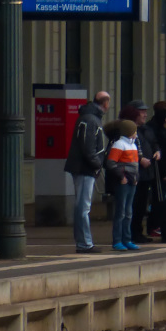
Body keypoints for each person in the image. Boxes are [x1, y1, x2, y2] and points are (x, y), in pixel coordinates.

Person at [64, 90, 110, 253]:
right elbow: (88, 148)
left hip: (83, 167)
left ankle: (83, 242)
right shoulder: (91, 120)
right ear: (105, 103)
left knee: (82, 207)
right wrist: (97, 164)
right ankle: (84, 243)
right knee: (83, 207)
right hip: (85, 168)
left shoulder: (88, 118)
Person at [128, 100, 162, 243]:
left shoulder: (147, 129)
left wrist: (157, 151)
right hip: (135, 174)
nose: (145, 114)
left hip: (148, 173)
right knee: (135, 205)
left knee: (142, 205)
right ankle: (132, 233)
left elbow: (154, 143)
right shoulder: (129, 129)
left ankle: (138, 232)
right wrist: (140, 159)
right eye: (142, 112)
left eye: (145, 111)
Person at [105, 119, 140, 251]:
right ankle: (118, 240)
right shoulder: (119, 144)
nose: (136, 133)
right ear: (129, 131)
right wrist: (121, 176)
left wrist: (136, 178)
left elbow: (135, 165)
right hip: (123, 181)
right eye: (134, 131)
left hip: (131, 181)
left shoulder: (133, 145)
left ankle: (127, 239)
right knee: (121, 211)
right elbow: (111, 163)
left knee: (128, 211)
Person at [145, 101, 166, 236]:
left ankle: (155, 225)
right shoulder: (158, 129)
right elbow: (163, 148)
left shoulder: (151, 126)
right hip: (159, 168)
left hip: (158, 167)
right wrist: (165, 171)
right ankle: (155, 225)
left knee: (158, 198)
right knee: (159, 198)